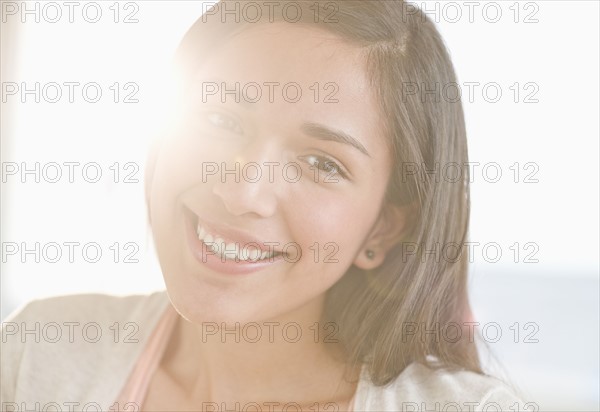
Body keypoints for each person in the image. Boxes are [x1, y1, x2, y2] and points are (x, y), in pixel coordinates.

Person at [1, 1, 528, 410]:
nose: (242, 191)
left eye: (323, 163)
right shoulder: (38, 353)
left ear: (383, 230)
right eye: (221, 120)